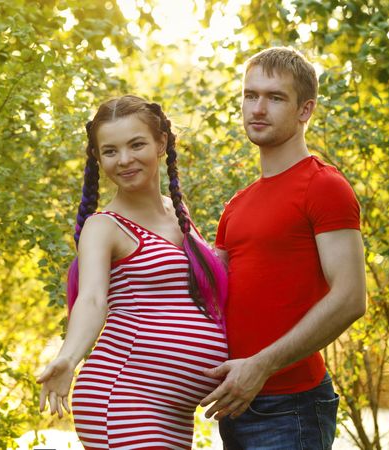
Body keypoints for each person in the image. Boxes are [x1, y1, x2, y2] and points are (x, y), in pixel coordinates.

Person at [37, 95, 228, 449]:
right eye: (110, 151)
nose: (124, 160)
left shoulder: (178, 213)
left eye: (136, 144)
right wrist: (68, 357)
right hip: (124, 398)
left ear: (161, 143)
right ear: (97, 157)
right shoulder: (104, 227)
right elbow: (93, 299)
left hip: (172, 412)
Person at [200, 47, 367, 450]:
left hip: (292, 409)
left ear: (305, 110)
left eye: (275, 98)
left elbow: (350, 298)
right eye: (250, 95)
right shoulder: (237, 205)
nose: (258, 108)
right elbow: (211, 298)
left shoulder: (324, 186)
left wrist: (262, 366)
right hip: (237, 404)